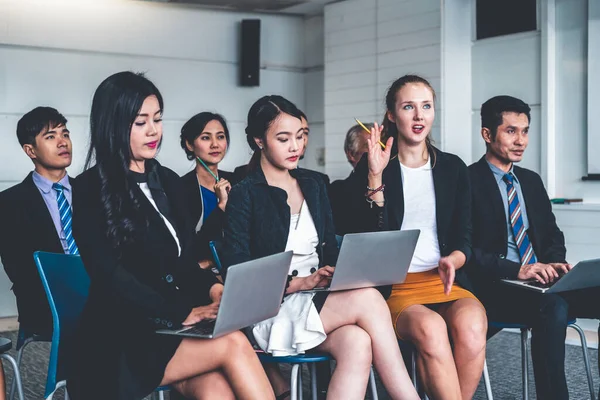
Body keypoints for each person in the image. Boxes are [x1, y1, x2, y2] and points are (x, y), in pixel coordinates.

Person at [68, 71, 274, 400]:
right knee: (233, 342)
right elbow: (110, 276)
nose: (153, 130)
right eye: (140, 122)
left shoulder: (165, 179)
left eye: (158, 119)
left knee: (216, 390)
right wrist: (179, 312)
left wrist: (214, 288)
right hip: (121, 338)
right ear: (114, 125)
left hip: (166, 326)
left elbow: (183, 261)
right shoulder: (90, 188)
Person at [222, 95, 419, 400]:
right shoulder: (245, 194)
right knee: (367, 300)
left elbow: (343, 240)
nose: (295, 147)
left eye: (300, 137)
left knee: (357, 342)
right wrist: (301, 282)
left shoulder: (314, 183)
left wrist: (375, 176)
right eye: (283, 138)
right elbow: (238, 273)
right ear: (259, 140)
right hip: (273, 309)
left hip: (317, 301)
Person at [346, 75, 488, 400]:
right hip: (395, 287)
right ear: (393, 115)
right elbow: (363, 241)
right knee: (431, 329)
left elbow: (465, 238)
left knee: (473, 324)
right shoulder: (373, 167)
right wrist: (374, 178)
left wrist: (454, 259)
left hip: (445, 280)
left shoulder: (453, 168)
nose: (419, 115)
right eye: (409, 107)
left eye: (426, 106)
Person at [468, 95, 600, 400]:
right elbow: (468, 251)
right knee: (553, 308)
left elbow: (552, 235)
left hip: (541, 283)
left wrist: (555, 263)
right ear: (487, 134)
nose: (521, 141)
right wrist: (519, 269)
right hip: (497, 285)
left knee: (564, 299)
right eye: (511, 131)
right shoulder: (468, 181)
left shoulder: (529, 180)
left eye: (525, 131)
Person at [0, 107, 76, 338]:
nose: (62, 142)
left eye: (65, 134)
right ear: (30, 150)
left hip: (104, 293)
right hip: (47, 301)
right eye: (50, 137)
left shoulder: (93, 191)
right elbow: (19, 269)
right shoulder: (10, 202)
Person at [179, 112, 236, 266]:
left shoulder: (238, 181)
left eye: (220, 136)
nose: (215, 144)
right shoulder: (179, 188)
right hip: (201, 276)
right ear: (190, 145)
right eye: (205, 137)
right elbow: (190, 247)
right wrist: (221, 206)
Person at [329, 123, 370, 235]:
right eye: (371, 146)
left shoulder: (394, 185)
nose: (379, 152)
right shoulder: (336, 191)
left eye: (381, 145)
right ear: (351, 154)